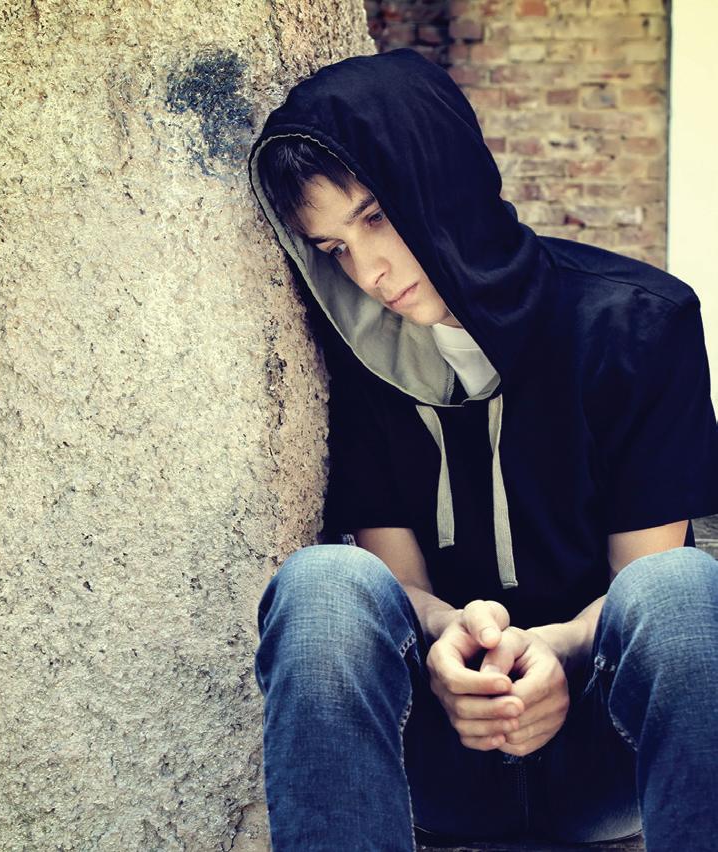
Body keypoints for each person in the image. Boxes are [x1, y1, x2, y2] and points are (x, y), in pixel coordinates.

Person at [246, 48, 718, 851]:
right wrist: (445, 643)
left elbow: (643, 587)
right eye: (332, 249)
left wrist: (552, 651)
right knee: (322, 582)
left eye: (374, 217)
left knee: (681, 587)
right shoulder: (363, 358)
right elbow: (398, 584)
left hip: (607, 751)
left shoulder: (639, 322)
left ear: (444, 179)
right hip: (439, 751)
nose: (368, 271)